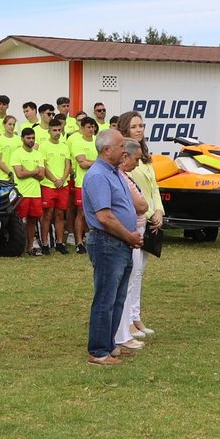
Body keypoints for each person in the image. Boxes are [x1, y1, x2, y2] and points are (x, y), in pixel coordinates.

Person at [82, 125, 142, 366]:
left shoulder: (114, 172)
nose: (124, 151)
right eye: (120, 147)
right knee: (106, 298)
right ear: (107, 150)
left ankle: (109, 345)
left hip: (120, 243)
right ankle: (98, 351)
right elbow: (105, 217)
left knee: (116, 298)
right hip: (109, 243)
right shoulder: (98, 175)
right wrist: (129, 236)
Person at [114, 137, 162, 349]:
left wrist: (156, 211)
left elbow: (150, 194)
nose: (137, 163)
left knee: (134, 277)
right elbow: (139, 204)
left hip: (138, 229)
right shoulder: (121, 176)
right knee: (127, 282)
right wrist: (147, 210)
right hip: (129, 232)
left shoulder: (125, 175)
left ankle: (128, 326)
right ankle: (123, 331)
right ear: (125, 157)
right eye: (135, 159)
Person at [11, 125, 48, 255]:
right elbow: (19, 174)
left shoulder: (38, 154)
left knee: (33, 220)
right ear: (22, 139)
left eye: (33, 138)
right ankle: (18, 246)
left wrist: (28, 171)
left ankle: (30, 247)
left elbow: (42, 175)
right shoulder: (16, 153)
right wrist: (34, 171)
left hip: (35, 193)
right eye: (28, 138)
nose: (31, 140)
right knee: (20, 221)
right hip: (22, 193)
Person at [67, 115, 100, 253]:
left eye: (93, 127)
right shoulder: (77, 143)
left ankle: (91, 238)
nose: (91, 129)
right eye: (88, 127)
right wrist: (97, 163)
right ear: (82, 128)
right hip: (82, 183)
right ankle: (79, 242)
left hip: (97, 182)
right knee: (81, 212)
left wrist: (91, 162)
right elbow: (82, 163)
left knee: (96, 211)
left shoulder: (98, 142)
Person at [41, 116, 73, 253]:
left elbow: (68, 165)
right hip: (49, 184)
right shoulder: (43, 146)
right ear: (49, 131)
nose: (57, 132)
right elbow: (44, 166)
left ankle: (60, 242)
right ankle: (45, 243)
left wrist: (62, 179)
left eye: (59, 130)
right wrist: (55, 179)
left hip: (63, 185)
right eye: (54, 130)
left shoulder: (64, 146)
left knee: (60, 214)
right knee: (47, 215)